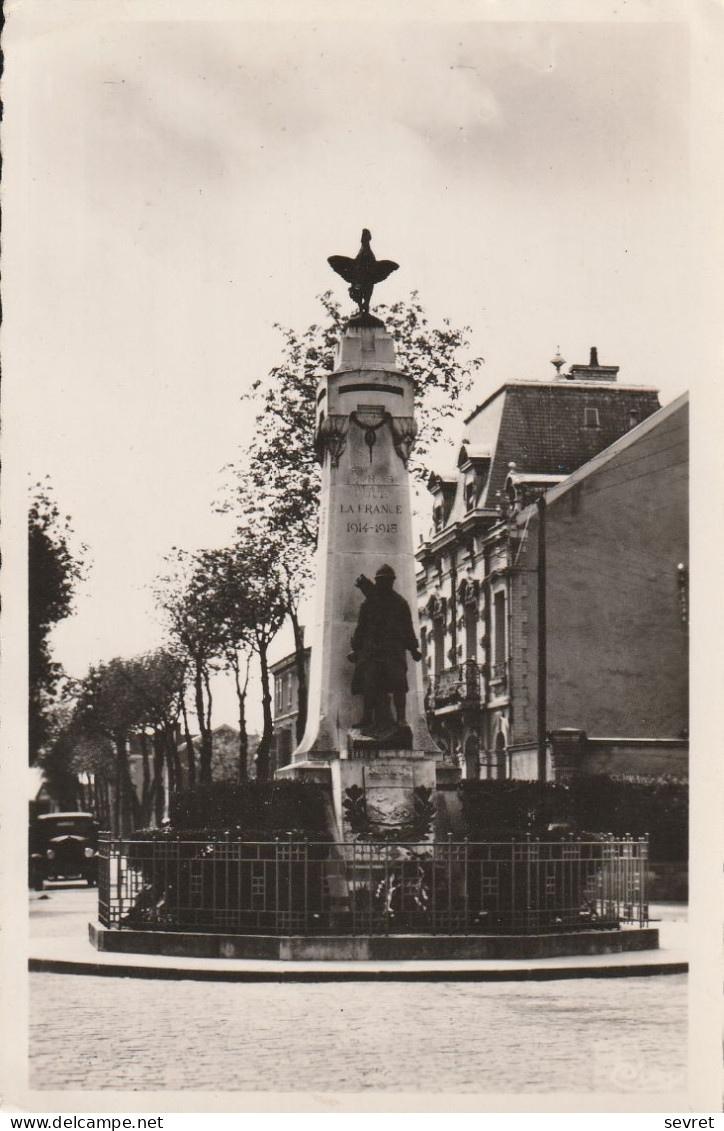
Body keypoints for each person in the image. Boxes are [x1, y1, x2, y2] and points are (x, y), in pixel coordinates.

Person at [348, 564, 422, 736]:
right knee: (370, 685)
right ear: (377, 582)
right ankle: (367, 717)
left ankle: (401, 718)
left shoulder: (399, 603)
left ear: (392, 582)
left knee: (399, 683)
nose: (385, 584)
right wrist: (356, 649)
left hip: (393, 651)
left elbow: (407, 628)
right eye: (381, 581)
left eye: (387, 581)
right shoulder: (368, 604)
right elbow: (361, 628)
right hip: (372, 652)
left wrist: (413, 649)